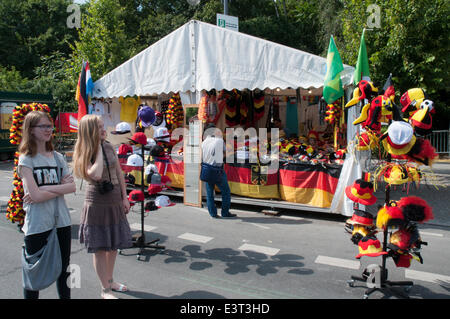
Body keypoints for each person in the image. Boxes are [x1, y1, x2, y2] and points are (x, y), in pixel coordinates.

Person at [17, 111, 76, 299]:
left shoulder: (58, 157)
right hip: (37, 223)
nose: (48, 130)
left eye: (49, 126)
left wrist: (47, 189)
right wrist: (60, 187)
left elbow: (72, 187)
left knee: (64, 269)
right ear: (31, 130)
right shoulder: (26, 159)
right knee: (34, 273)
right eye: (43, 126)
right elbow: (34, 195)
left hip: (61, 221)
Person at [73, 115, 132, 299]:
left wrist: (125, 197)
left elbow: (119, 173)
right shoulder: (85, 150)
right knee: (100, 247)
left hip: (114, 198)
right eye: (99, 127)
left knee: (113, 245)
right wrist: (97, 147)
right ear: (90, 131)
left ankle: (110, 281)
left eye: (102, 125)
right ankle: (104, 289)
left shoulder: (108, 146)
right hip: (96, 201)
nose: (103, 129)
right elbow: (96, 174)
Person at [201, 123, 236, 218]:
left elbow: (201, 157)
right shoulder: (219, 141)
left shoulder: (203, 143)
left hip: (207, 169)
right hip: (217, 170)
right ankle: (225, 213)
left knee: (209, 193)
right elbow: (226, 153)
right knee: (225, 192)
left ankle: (213, 213)